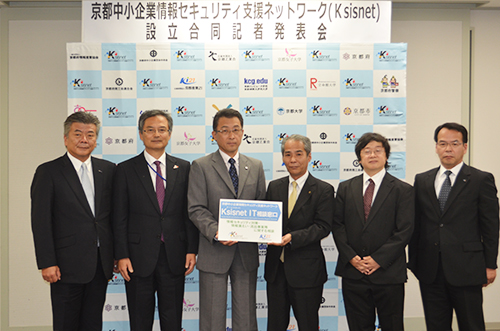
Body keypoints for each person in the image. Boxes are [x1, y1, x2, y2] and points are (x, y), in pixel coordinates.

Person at [113, 110, 198, 331]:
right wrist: (121, 254)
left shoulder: (184, 167)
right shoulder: (125, 169)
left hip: (174, 255)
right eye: (150, 130)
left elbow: (189, 213)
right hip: (137, 257)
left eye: (162, 130)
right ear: (141, 134)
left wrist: (191, 249)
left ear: (169, 134)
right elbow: (119, 217)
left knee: (172, 320)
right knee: (140, 321)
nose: (156, 134)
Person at [409, 122, 499, 331]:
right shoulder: (422, 180)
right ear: (436, 147)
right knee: (436, 325)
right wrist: (414, 262)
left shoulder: (480, 179)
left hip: (467, 268)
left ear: (464, 147)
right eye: (443, 144)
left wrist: (490, 264)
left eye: (454, 144)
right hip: (430, 269)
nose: (448, 149)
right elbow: (416, 224)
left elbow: (491, 225)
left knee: (472, 324)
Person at [31, 112, 115, 331]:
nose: (84, 139)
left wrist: (115, 254)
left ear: (96, 140)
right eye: (78, 134)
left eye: (90, 134)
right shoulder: (48, 171)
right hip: (64, 265)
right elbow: (40, 221)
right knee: (66, 322)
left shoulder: (108, 170)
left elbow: (113, 217)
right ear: (65, 138)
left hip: (99, 264)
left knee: (93, 322)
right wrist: (47, 262)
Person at [188, 108, 266, 331]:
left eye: (236, 130)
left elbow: (260, 206)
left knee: (247, 315)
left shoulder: (256, 166)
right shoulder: (201, 166)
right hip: (214, 250)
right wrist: (217, 232)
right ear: (214, 134)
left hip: (246, 252)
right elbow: (196, 208)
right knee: (212, 316)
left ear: (243, 133)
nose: (231, 136)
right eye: (225, 131)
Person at [332, 132, 414, 331]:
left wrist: (378, 259)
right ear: (359, 158)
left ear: (386, 156)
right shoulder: (345, 188)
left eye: (378, 151)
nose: (372, 155)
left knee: (392, 325)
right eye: (367, 151)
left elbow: (404, 230)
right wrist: (352, 258)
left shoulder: (403, 190)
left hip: (388, 272)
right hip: (354, 272)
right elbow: (337, 225)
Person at [265, 134, 334, 331]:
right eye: (288, 154)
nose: (293, 159)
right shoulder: (274, 187)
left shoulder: (323, 189)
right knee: (275, 325)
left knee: (308, 324)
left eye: (298, 154)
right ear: (283, 158)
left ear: (309, 156)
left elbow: (323, 227)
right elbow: (267, 221)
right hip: (276, 270)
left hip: (307, 272)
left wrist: (292, 237)